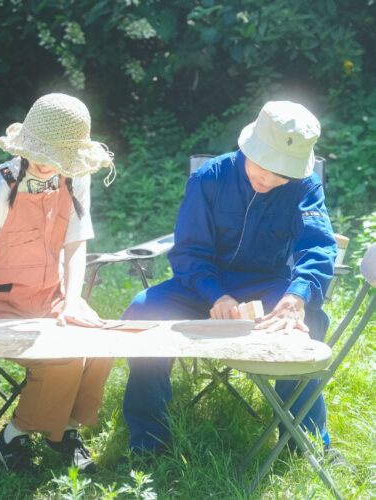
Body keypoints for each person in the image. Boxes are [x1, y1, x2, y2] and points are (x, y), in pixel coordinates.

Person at [121, 101, 337, 455]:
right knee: (144, 308)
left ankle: (308, 441)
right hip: (202, 284)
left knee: (308, 320)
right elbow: (189, 253)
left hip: (268, 285)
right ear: (247, 147)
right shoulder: (210, 177)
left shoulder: (306, 186)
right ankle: (148, 437)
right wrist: (216, 295)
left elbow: (319, 246)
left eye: (282, 172)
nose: (269, 178)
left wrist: (297, 296)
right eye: (263, 166)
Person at [0, 93, 115, 473]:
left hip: (51, 296)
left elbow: (77, 245)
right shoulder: (1, 185)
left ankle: (64, 431)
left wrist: (73, 302)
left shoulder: (75, 180)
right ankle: (14, 435)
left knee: (102, 344)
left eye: (59, 160)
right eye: (41, 155)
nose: (47, 166)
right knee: (63, 356)